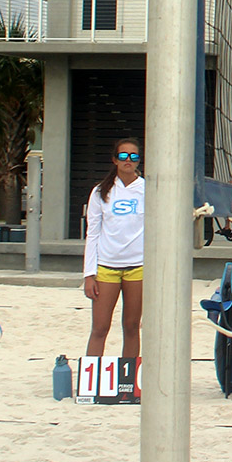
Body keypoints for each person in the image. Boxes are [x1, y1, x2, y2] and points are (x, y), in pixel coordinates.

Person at [83, 138, 145, 357]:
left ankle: (127, 383)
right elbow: (93, 233)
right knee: (99, 328)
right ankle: (91, 383)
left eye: (134, 156)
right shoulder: (101, 191)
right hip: (106, 267)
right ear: (114, 159)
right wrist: (89, 274)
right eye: (123, 155)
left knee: (131, 327)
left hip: (137, 267)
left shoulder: (147, 189)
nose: (128, 160)